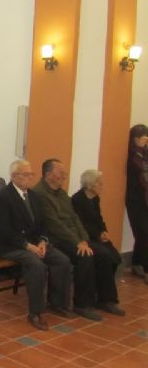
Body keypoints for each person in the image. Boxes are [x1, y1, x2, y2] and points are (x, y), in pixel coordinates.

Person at [0, 160, 74, 330]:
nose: (29, 178)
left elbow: (43, 224)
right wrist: (28, 246)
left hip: (35, 243)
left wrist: (43, 241)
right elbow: (3, 231)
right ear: (14, 176)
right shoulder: (2, 197)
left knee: (62, 260)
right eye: (25, 174)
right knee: (36, 265)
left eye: (30, 174)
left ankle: (56, 303)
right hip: (10, 245)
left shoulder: (33, 196)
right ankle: (36, 312)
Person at [33, 159, 118, 320]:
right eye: (60, 172)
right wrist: (77, 242)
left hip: (74, 237)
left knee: (104, 254)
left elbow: (75, 218)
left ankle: (106, 299)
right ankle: (82, 304)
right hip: (56, 238)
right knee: (85, 256)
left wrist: (84, 239)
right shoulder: (40, 194)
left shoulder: (62, 193)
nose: (64, 175)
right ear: (48, 174)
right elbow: (54, 224)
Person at [72, 170, 124, 314]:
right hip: (86, 237)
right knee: (104, 256)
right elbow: (80, 223)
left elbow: (99, 219)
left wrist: (103, 231)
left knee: (116, 257)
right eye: (99, 183)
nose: (102, 186)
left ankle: (101, 291)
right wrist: (97, 235)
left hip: (97, 236)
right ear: (89, 185)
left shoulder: (95, 198)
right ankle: (106, 299)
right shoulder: (77, 199)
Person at [125, 124, 148, 283]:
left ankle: (137, 263)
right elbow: (141, 171)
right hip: (136, 199)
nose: (145, 139)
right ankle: (146, 269)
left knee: (143, 233)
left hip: (144, 198)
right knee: (144, 232)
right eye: (142, 137)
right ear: (135, 139)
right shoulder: (134, 155)